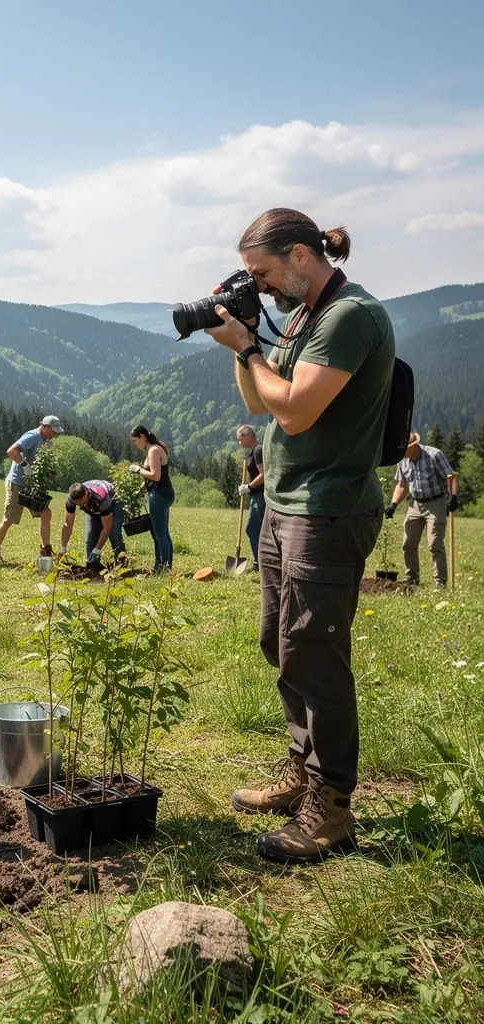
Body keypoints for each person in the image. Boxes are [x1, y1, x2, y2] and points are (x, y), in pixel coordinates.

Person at [205, 208, 394, 863]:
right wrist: (247, 337)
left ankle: (332, 805)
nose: (258, 285)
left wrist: (251, 347)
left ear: (300, 256)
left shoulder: (349, 318)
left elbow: (296, 406)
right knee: (279, 643)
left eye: (262, 274)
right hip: (287, 504)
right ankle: (301, 770)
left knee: (313, 653)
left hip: (330, 507)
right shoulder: (304, 317)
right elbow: (259, 403)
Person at [386, 432, 457, 589]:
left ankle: (440, 583)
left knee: (435, 544)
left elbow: (450, 476)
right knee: (408, 543)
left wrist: (453, 496)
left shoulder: (434, 455)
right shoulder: (402, 461)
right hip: (415, 504)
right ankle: (412, 579)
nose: (403, 453)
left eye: (405, 449)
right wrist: (393, 504)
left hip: (435, 502)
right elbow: (402, 485)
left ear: (414, 446)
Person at [0, 415, 63, 563]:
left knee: (45, 513)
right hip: (16, 483)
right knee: (8, 519)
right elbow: (11, 451)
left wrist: (48, 473)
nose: (56, 434)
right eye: (54, 431)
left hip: (32, 484)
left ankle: (45, 551)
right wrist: (25, 466)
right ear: (44, 427)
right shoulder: (32, 436)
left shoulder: (46, 443)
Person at [128, 424, 174, 572]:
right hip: (164, 492)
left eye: (135, 440)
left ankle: (162, 568)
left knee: (159, 534)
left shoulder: (153, 450)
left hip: (159, 494)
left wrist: (139, 470)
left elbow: (155, 476)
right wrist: (141, 490)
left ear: (142, 437)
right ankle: (163, 566)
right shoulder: (153, 450)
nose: (135, 444)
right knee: (163, 533)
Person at [59, 480, 125, 565]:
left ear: (87, 493)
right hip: (94, 507)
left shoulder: (101, 497)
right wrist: (63, 547)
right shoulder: (71, 500)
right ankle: (94, 568)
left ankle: (121, 563)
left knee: (114, 534)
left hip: (113, 503)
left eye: (83, 503)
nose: (82, 506)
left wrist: (97, 549)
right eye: (79, 505)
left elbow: (107, 527)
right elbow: (68, 523)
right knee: (90, 540)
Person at [237, 424, 266, 568]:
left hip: (260, 495)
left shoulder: (258, 450)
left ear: (247, 436)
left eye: (240, 439)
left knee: (253, 528)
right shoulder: (254, 451)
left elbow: (264, 474)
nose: (239, 442)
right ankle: (259, 562)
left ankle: (259, 563)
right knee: (257, 529)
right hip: (257, 495)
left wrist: (248, 487)